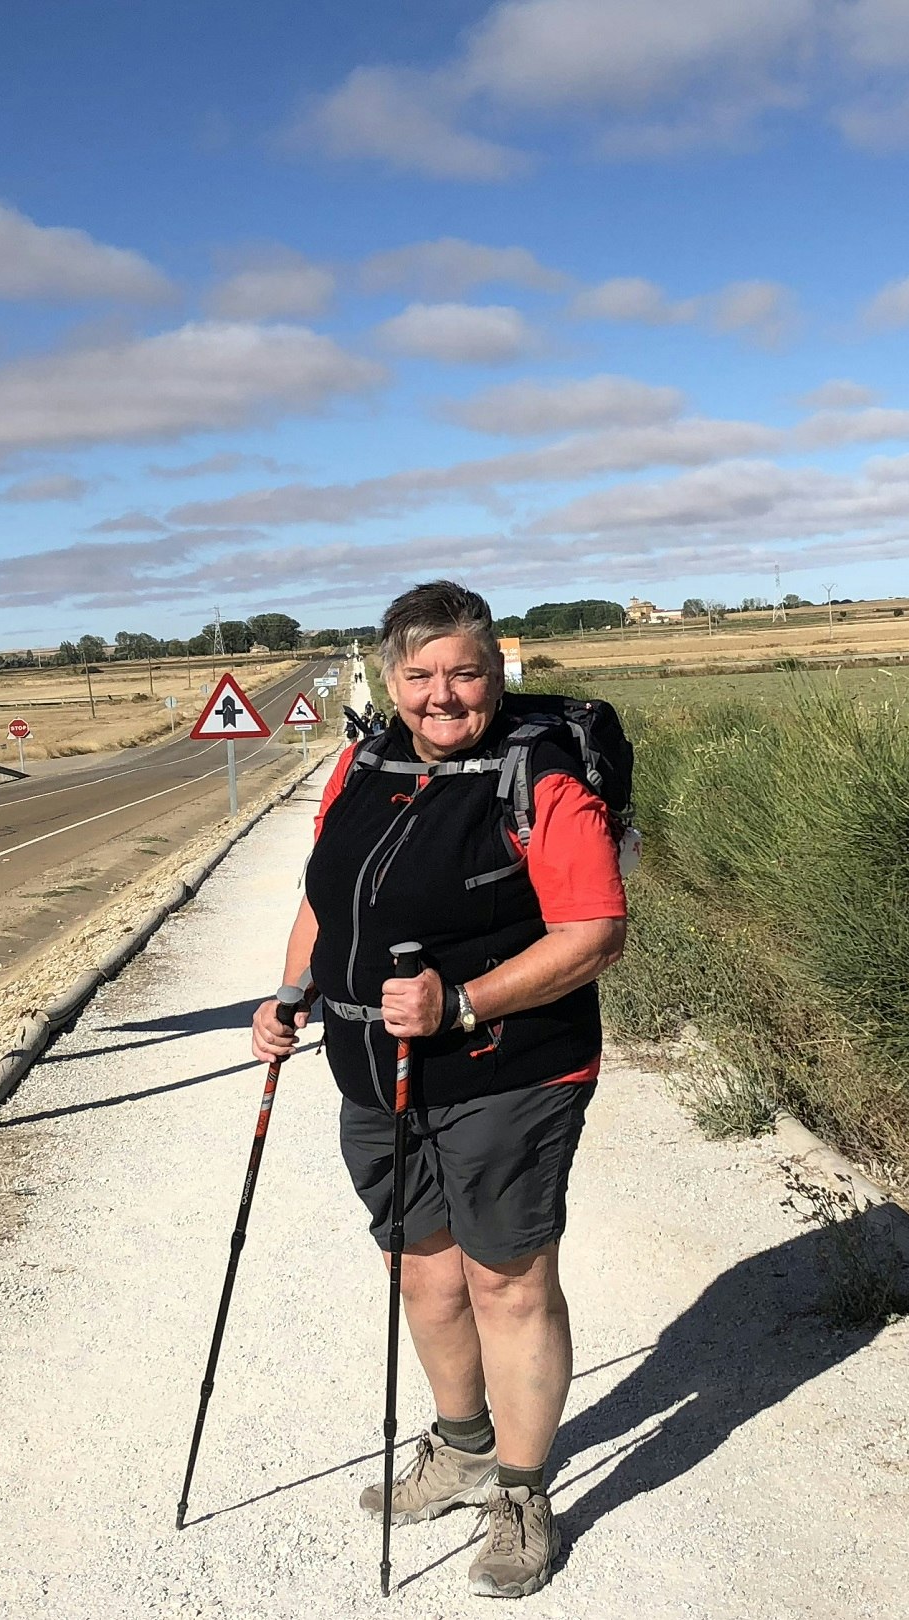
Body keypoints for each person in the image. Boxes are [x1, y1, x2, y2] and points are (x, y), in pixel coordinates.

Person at [251, 580, 626, 1600]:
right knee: (424, 1273)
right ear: (389, 677)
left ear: (496, 671)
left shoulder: (538, 779)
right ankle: (461, 1447)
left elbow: (595, 933)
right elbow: (327, 901)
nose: (443, 695)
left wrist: (462, 1002)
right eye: (420, 675)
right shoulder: (362, 766)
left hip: (512, 1071)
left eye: (464, 672)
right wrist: (289, 996)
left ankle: (520, 1491)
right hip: (377, 1072)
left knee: (508, 1281)